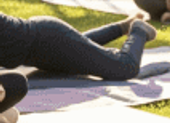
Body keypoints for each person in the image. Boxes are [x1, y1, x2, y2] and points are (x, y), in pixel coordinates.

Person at [0, 12, 156, 81]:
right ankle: (123, 26)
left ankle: (139, 30)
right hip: (43, 48)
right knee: (79, 47)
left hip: (48, 39)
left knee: (125, 68)